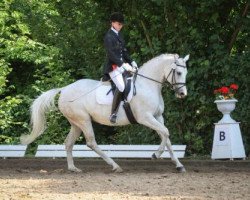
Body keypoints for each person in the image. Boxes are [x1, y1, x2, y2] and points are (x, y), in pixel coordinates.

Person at [103, 12, 138, 124]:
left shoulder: (118, 35)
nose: (120, 26)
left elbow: (124, 52)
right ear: (112, 23)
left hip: (122, 66)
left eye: (121, 25)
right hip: (113, 67)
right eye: (119, 24)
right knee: (122, 87)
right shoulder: (108, 37)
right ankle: (113, 113)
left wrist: (132, 61)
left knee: (132, 81)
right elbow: (111, 54)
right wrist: (123, 64)